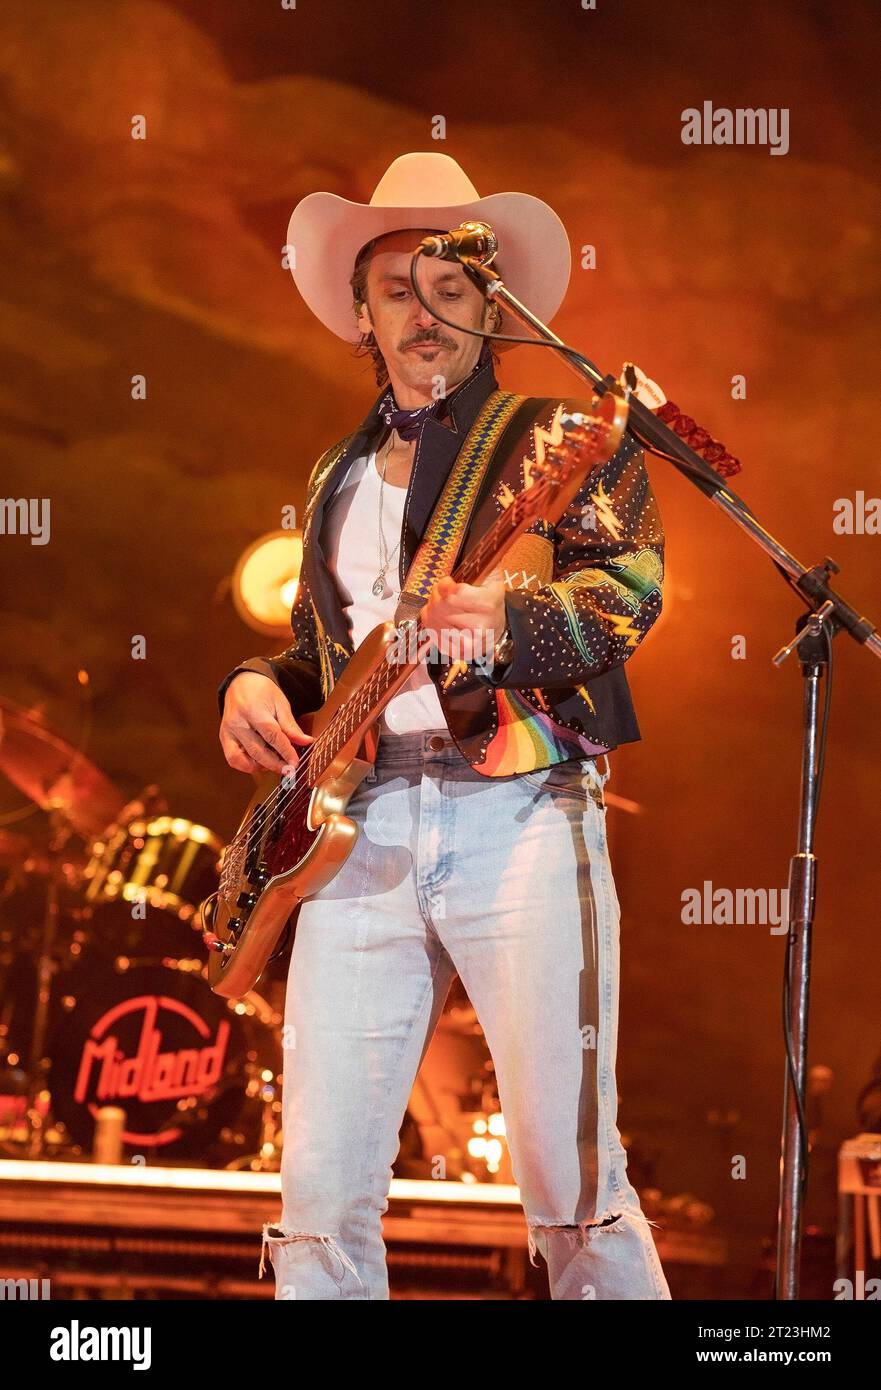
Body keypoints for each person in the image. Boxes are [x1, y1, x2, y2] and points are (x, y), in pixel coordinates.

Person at [217, 152, 670, 1300]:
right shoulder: (335, 471)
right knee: (316, 1197)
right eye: (394, 291)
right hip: (354, 826)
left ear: (489, 304)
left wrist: (508, 620)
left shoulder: (554, 432)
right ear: (361, 316)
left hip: (517, 807)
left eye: (448, 287)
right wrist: (255, 683)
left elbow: (627, 590)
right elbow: (331, 655)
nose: (422, 313)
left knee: (567, 1174)